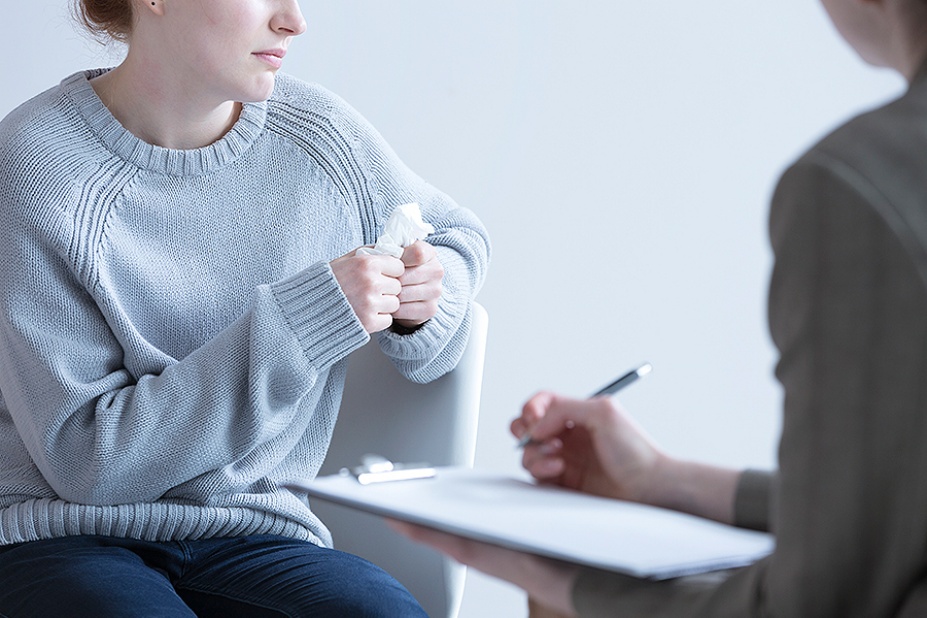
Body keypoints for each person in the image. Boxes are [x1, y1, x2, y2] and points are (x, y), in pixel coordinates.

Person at [393, 0, 927, 615]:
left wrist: (564, 579)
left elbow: (817, 601)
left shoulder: (857, 186)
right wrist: (665, 481)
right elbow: (882, 512)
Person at [0, 0, 489, 616]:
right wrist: (308, 320)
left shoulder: (321, 139)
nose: (294, 20)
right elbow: (89, 464)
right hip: (64, 537)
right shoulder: (35, 164)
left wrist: (423, 304)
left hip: (256, 535)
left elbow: (456, 238)